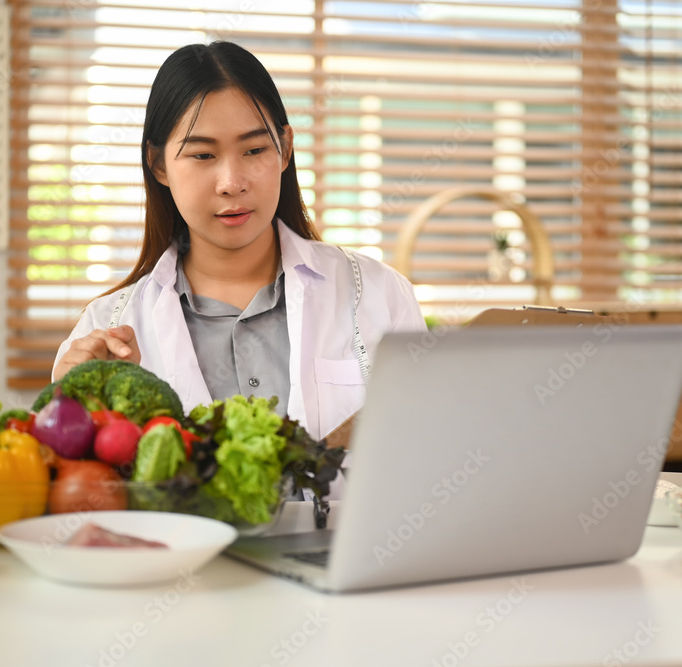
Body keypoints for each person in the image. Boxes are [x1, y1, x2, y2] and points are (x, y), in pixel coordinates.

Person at [52, 41, 426, 447]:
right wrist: (76, 417)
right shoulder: (103, 329)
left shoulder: (381, 294)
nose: (232, 182)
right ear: (159, 165)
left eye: (254, 149)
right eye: (202, 156)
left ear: (285, 148)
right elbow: (80, 493)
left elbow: (427, 449)